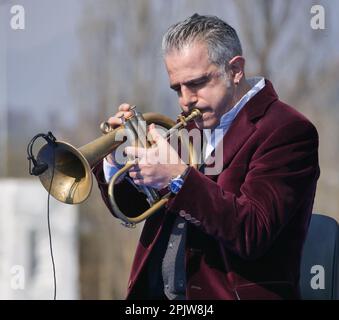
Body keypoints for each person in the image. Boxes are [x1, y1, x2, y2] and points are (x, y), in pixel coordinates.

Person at [93, 14, 320, 300]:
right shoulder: (190, 129)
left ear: (235, 70)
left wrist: (178, 178)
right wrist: (115, 157)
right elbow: (134, 208)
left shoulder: (287, 130)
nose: (185, 100)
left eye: (197, 83)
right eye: (177, 88)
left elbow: (252, 231)